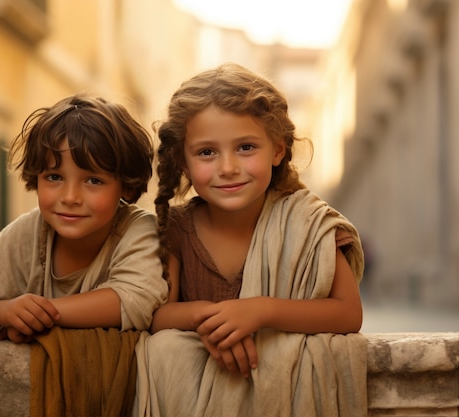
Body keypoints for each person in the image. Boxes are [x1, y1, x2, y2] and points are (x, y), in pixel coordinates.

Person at [134, 63, 367, 417]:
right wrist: (213, 320)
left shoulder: (306, 223)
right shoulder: (177, 229)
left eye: (245, 147)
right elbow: (156, 316)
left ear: (277, 150)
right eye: (207, 152)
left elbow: (348, 313)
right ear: (183, 162)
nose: (227, 167)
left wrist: (259, 311)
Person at [0, 95, 168, 344]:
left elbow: (136, 300)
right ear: (36, 176)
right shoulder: (28, 234)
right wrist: (5, 312)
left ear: (125, 185)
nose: (70, 197)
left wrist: (40, 315)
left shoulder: (137, 230)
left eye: (93, 180)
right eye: (54, 177)